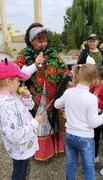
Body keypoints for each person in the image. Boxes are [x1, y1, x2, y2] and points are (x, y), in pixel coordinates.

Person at [14, 22, 71, 161]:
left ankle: (53, 149)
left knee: (50, 120)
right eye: (40, 41)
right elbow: (19, 75)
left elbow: (63, 70)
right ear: (32, 40)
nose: (43, 44)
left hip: (51, 95)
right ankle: (35, 150)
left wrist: (68, 82)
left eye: (45, 41)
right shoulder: (24, 54)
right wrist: (34, 65)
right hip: (33, 97)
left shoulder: (52, 53)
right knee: (37, 121)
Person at [54, 64, 103, 180]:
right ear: (94, 79)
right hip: (85, 138)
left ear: (78, 76)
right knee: (89, 169)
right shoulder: (91, 98)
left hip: (70, 134)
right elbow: (94, 123)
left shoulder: (69, 92)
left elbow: (56, 104)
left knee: (70, 165)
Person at [0, 59, 44, 180]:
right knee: (19, 174)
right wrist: (34, 123)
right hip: (20, 148)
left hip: (24, 146)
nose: (20, 84)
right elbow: (14, 134)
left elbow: (26, 109)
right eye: (19, 81)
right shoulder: (5, 105)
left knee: (24, 172)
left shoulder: (11, 96)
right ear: (9, 81)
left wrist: (26, 98)